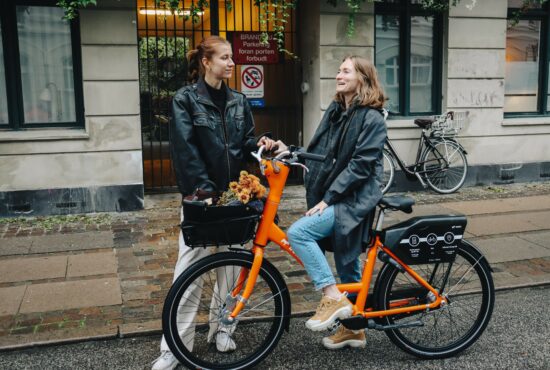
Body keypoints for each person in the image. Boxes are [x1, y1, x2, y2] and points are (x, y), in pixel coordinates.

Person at [152, 36, 276, 370]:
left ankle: (223, 329)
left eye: (231, 57)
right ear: (206, 62)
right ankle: (174, 347)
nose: (231, 63)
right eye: (224, 58)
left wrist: (261, 145)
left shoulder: (238, 101)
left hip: (236, 196)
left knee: (231, 271)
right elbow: (185, 151)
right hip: (202, 200)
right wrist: (206, 194)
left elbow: (246, 142)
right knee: (189, 273)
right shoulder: (185, 100)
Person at [274, 56, 387, 350]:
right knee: (348, 263)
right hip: (339, 194)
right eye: (338, 70)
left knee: (299, 232)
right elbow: (321, 152)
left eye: (346, 71)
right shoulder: (337, 111)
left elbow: (361, 166)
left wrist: (328, 199)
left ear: (362, 78)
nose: (339, 75)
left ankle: (331, 295)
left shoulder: (372, 118)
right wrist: (292, 151)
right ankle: (354, 330)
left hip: (356, 198)